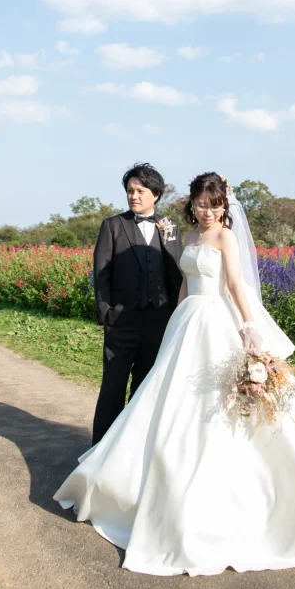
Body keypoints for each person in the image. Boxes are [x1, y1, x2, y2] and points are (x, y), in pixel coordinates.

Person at [55, 172, 295, 576]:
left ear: (224, 206)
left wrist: (249, 326)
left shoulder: (225, 237)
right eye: (201, 205)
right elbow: (185, 283)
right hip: (187, 322)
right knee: (166, 400)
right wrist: (175, 321)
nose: (207, 212)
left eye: (215, 205)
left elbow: (236, 284)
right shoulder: (189, 237)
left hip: (217, 320)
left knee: (222, 405)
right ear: (191, 205)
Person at [90, 163, 183, 445]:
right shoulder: (112, 226)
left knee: (145, 388)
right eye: (130, 190)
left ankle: (132, 448)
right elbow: (101, 272)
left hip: (158, 321)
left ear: (156, 194)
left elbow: (177, 273)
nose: (134, 196)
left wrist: (175, 314)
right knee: (113, 387)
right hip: (121, 320)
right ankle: (100, 450)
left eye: (140, 191)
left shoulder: (170, 227)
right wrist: (106, 313)